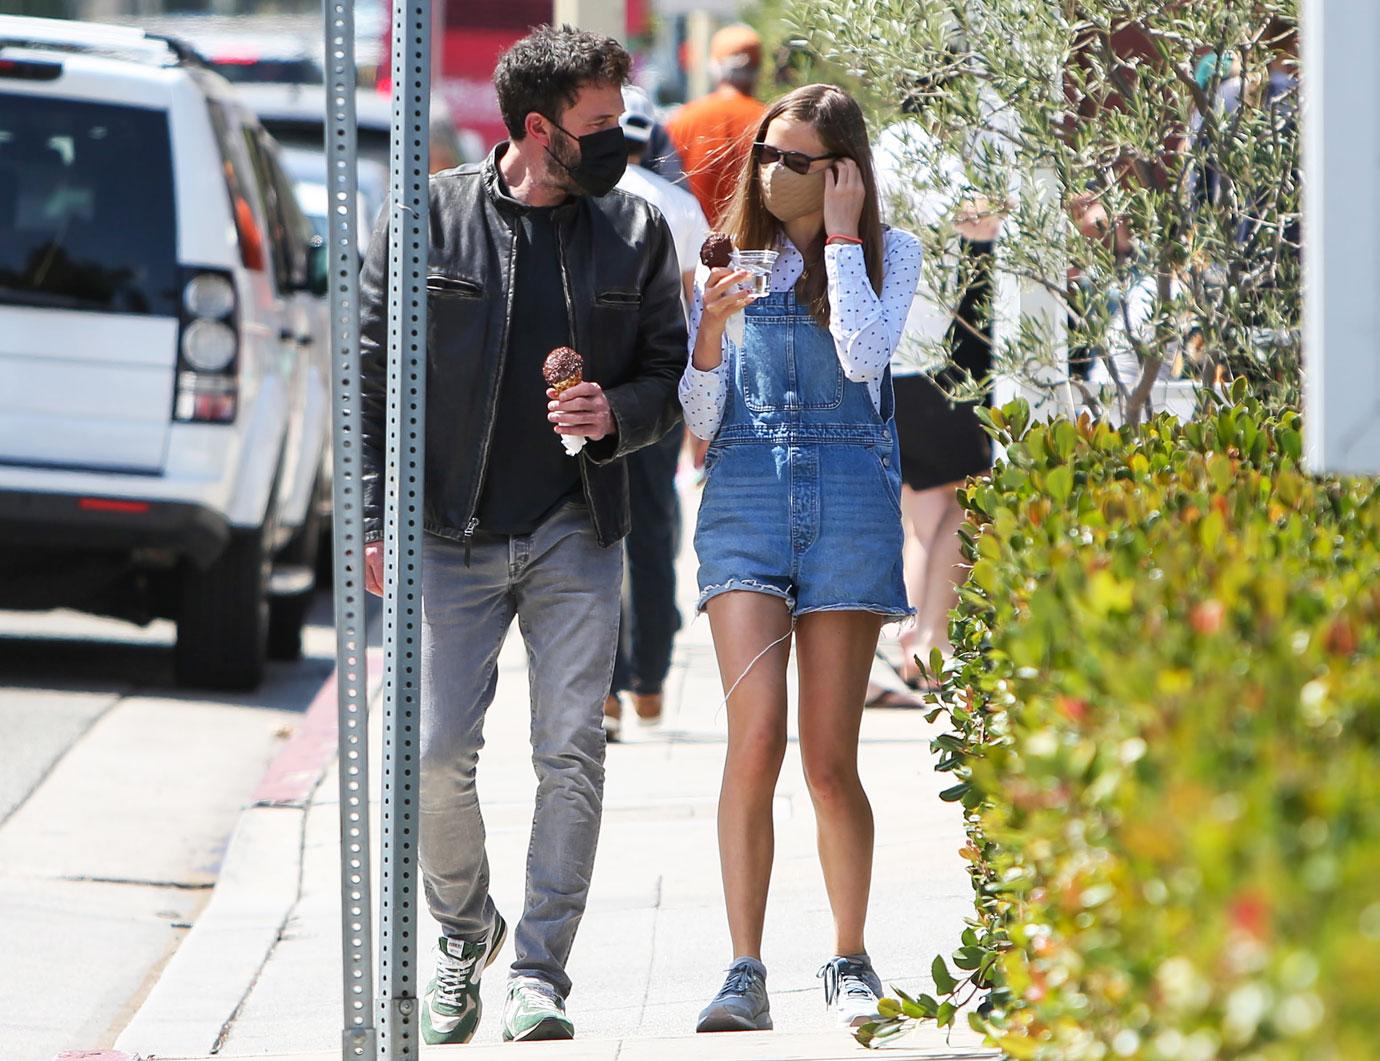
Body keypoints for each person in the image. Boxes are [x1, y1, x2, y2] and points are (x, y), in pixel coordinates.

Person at [358, 25, 687, 1045]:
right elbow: (368, 369)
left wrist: (616, 415)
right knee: (431, 752)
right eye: (597, 127)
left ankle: (539, 970)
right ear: (538, 129)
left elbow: (667, 374)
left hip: (574, 532)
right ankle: (466, 929)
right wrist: (372, 513)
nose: (616, 144)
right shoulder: (428, 218)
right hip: (446, 533)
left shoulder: (634, 233)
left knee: (571, 752)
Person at [679, 83, 920, 1032]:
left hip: (851, 501)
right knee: (755, 742)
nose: (774, 174)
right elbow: (701, 420)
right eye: (768, 155)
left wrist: (847, 236)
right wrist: (706, 328)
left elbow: (865, 357)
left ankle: (849, 955)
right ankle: (743, 967)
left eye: (797, 160)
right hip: (744, 495)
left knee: (828, 760)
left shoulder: (890, 253)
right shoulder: (729, 261)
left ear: (843, 171)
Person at [872, 96, 1003, 690]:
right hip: (926, 364)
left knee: (921, 515)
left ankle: (902, 644)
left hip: (885, 363)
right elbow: (974, 219)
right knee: (964, 506)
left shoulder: (877, 151)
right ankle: (926, 639)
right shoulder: (923, 151)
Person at [603, 88, 710, 740]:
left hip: (595, 394)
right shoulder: (681, 205)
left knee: (595, 537)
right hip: (659, 395)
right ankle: (648, 683)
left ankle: (607, 689)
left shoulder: (586, 199)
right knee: (650, 533)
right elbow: (695, 311)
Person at [666, 24, 766, 226]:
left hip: (695, 243)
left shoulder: (683, 119)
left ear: (715, 67)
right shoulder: (770, 120)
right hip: (752, 245)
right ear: (757, 70)